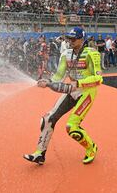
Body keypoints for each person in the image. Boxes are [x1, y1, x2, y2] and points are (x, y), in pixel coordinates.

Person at [23, 27, 102, 165]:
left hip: (87, 92)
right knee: (48, 119)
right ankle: (39, 154)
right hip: (72, 90)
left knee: (72, 127)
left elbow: (98, 79)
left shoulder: (92, 53)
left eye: (73, 38)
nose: (70, 41)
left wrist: (78, 83)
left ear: (81, 39)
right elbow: (59, 75)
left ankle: (91, 148)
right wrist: (48, 81)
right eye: (69, 38)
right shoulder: (66, 54)